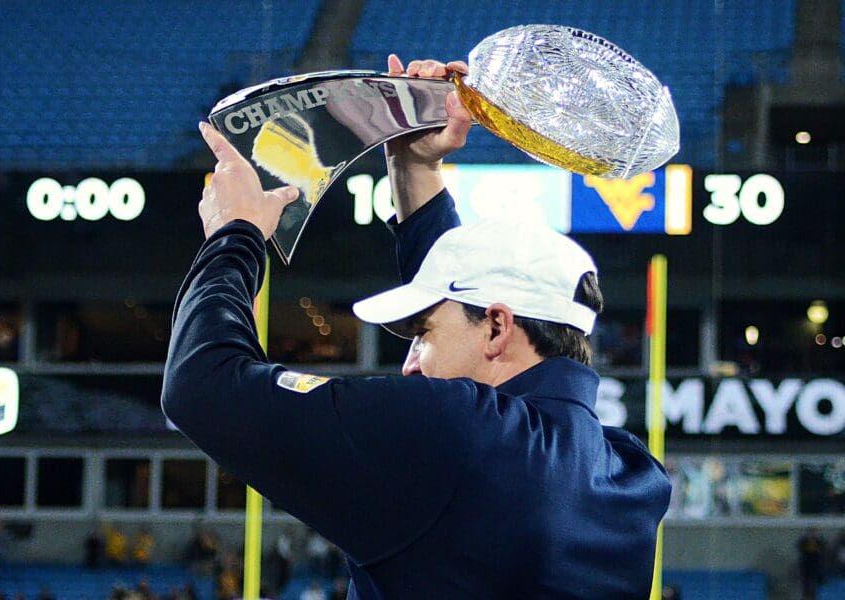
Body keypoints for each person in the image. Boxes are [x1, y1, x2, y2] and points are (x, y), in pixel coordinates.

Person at [162, 55, 671, 598]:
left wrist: (234, 236)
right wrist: (414, 167)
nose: (408, 361)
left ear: (499, 328)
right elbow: (474, 375)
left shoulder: (458, 434)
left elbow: (202, 385)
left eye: (422, 333)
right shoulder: (630, 475)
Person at [798, 527, 826, 600]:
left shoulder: (819, 541)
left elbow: (823, 548)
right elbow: (800, 547)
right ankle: (806, 594)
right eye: (810, 533)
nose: (812, 534)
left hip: (816, 562)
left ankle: (815, 594)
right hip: (806, 562)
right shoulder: (804, 541)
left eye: (813, 533)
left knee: (815, 579)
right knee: (806, 580)